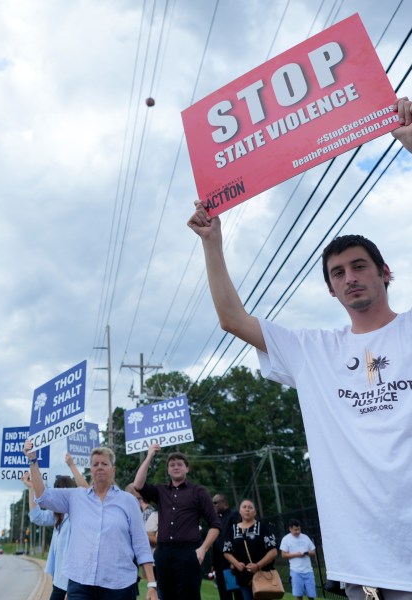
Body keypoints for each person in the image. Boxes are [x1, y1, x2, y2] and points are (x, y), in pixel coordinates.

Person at [187, 97, 412, 600]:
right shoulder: (314, 351)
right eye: (338, 273)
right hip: (365, 565)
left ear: (385, 273)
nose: (349, 277)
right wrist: (211, 242)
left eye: (359, 266)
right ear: (331, 290)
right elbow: (232, 319)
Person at [24, 440, 159, 600]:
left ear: (113, 470)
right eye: (95, 464)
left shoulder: (128, 501)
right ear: (91, 470)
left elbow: (141, 544)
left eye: (104, 463)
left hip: (119, 586)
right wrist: (33, 461)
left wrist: (151, 585)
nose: (99, 467)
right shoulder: (75, 497)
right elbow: (42, 497)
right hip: (81, 584)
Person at [133, 443, 221, 600]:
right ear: (168, 470)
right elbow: (138, 485)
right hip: (163, 553)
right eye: (172, 464)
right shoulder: (160, 491)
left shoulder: (198, 491)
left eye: (179, 464)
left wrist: (203, 549)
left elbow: (215, 524)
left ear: (187, 468)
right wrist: (149, 456)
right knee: (166, 596)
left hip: (188, 553)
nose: (175, 467)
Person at [22, 453, 89, 600]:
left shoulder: (78, 516)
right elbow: (36, 516)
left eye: (60, 492)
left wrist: (72, 465)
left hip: (72, 584)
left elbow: (86, 490)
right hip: (59, 581)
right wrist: (32, 488)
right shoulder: (58, 515)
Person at [222, 499, 278, 600]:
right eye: (244, 507)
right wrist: (237, 564)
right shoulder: (232, 530)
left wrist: (258, 565)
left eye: (250, 507)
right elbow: (226, 552)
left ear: (254, 512)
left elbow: (273, 551)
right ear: (239, 511)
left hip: (263, 575)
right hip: (243, 576)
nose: (247, 509)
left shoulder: (263, 527)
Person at [211, 494, 243, 600]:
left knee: (237, 593)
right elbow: (216, 541)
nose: (213, 505)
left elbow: (238, 539)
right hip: (220, 564)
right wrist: (213, 563)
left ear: (224, 503)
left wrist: (234, 562)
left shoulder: (234, 516)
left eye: (215, 502)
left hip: (230, 564)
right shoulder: (217, 519)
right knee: (224, 595)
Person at [280, 519, 316, 600]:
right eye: (295, 530)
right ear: (290, 529)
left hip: (308, 570)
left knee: (311, 595)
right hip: (295, 571)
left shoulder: (305, 537)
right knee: (298, 595)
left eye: (299, 529)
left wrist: (306, 553)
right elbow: (283, 555)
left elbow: (313, 552)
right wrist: (296, 554)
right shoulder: (286, 539)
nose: (297, 531)